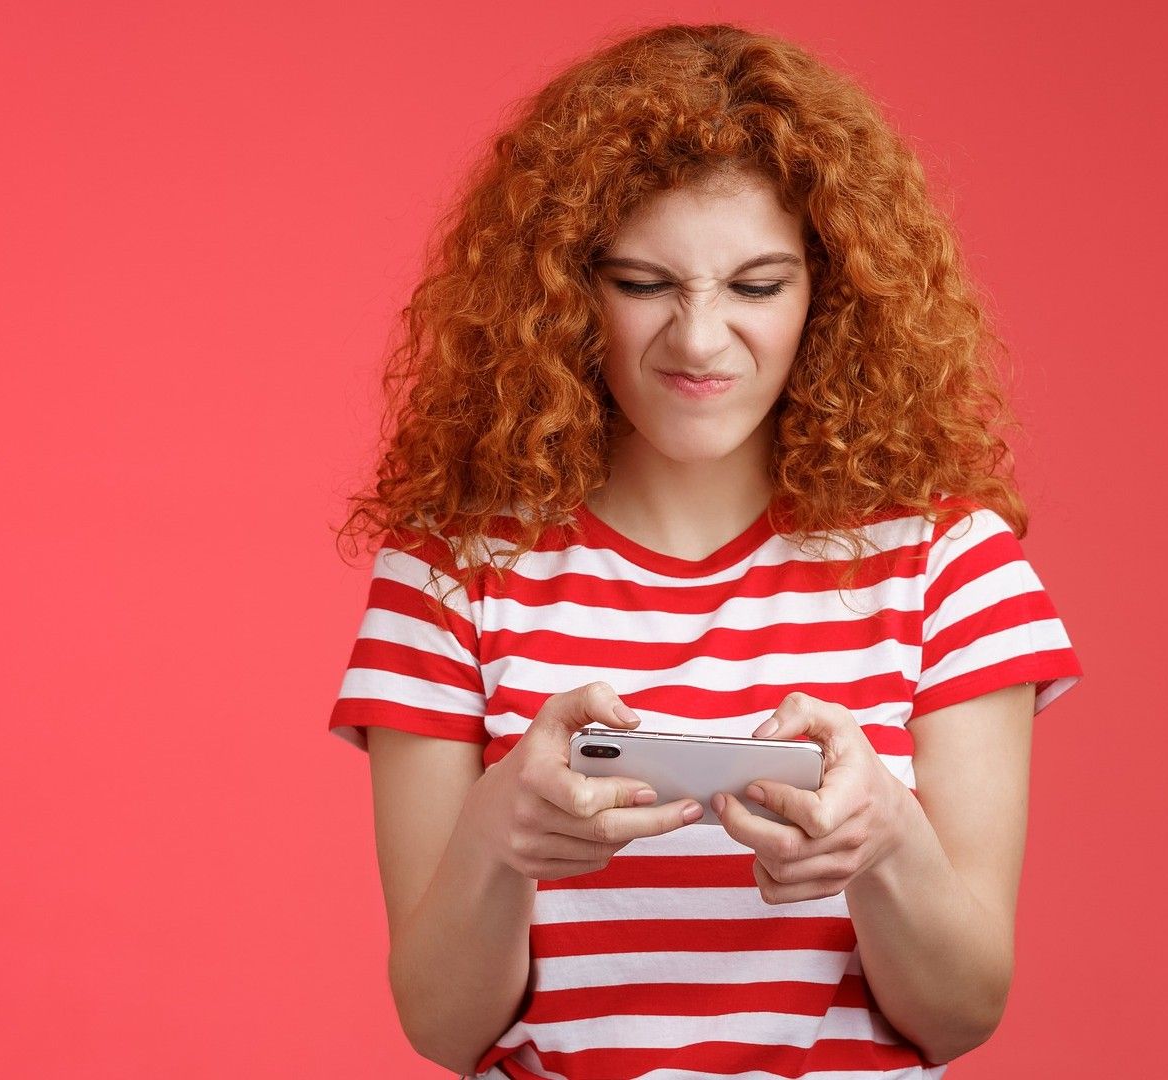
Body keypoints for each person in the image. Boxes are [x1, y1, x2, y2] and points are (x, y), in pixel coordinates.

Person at [325, 22, 1084, 1080]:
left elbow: (961, 1013)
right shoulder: (452, 571)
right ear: (563, 292)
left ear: (831, 293)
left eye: (756, 287)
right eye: (643, 283)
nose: (698, 340)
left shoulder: (950, 565)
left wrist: (886, 844)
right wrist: (499, 836)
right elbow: (440, 1028)